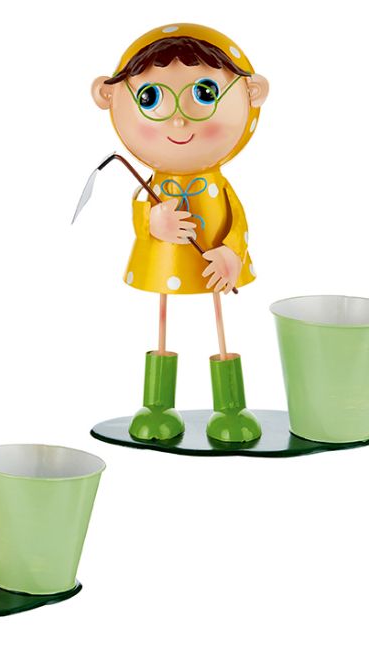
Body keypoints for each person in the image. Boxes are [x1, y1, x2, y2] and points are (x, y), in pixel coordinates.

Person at [91, 24, 269, 442]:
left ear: (252, 94)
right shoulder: (151, 187)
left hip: (213, 265)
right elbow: (141, 214)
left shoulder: (218, 186)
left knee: (220, 330)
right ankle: (156, 405)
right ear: (108, 96)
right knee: (162, 327)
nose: (177, 117)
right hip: (165, 264)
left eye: (204, 94)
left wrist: (231, 253)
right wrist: (154, 223)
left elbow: (237, 222)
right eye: (150, 98)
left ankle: (230, 408)